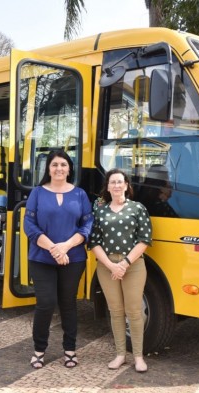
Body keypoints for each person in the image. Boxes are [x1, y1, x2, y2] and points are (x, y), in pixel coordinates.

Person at [23, 150, 93, 369]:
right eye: (54, 165)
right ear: (48, 169)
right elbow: (29, 225)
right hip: (41, 258)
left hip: (73, 258)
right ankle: (39, 350)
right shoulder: (37, 193)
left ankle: (70, 350)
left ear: (69, 168)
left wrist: (66, 247)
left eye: (63, 164)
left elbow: (87, 225)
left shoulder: (80, 194)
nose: (59, 168)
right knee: (45, 303)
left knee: (68, 304)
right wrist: (54, 248)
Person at [89, 169, 153, 373]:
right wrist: (111, 265)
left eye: (120, 182)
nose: (116, 185)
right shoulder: (100, 211)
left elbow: (144, 239)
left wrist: (124, 264)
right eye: (112, 182)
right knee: (115, 311)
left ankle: (138, 357)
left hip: (133, 266)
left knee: (134, 312)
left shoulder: (138, 208)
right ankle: (120, 355)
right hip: (107, 266)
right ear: (107, 187)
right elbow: (94, 242)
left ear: (126, 185)